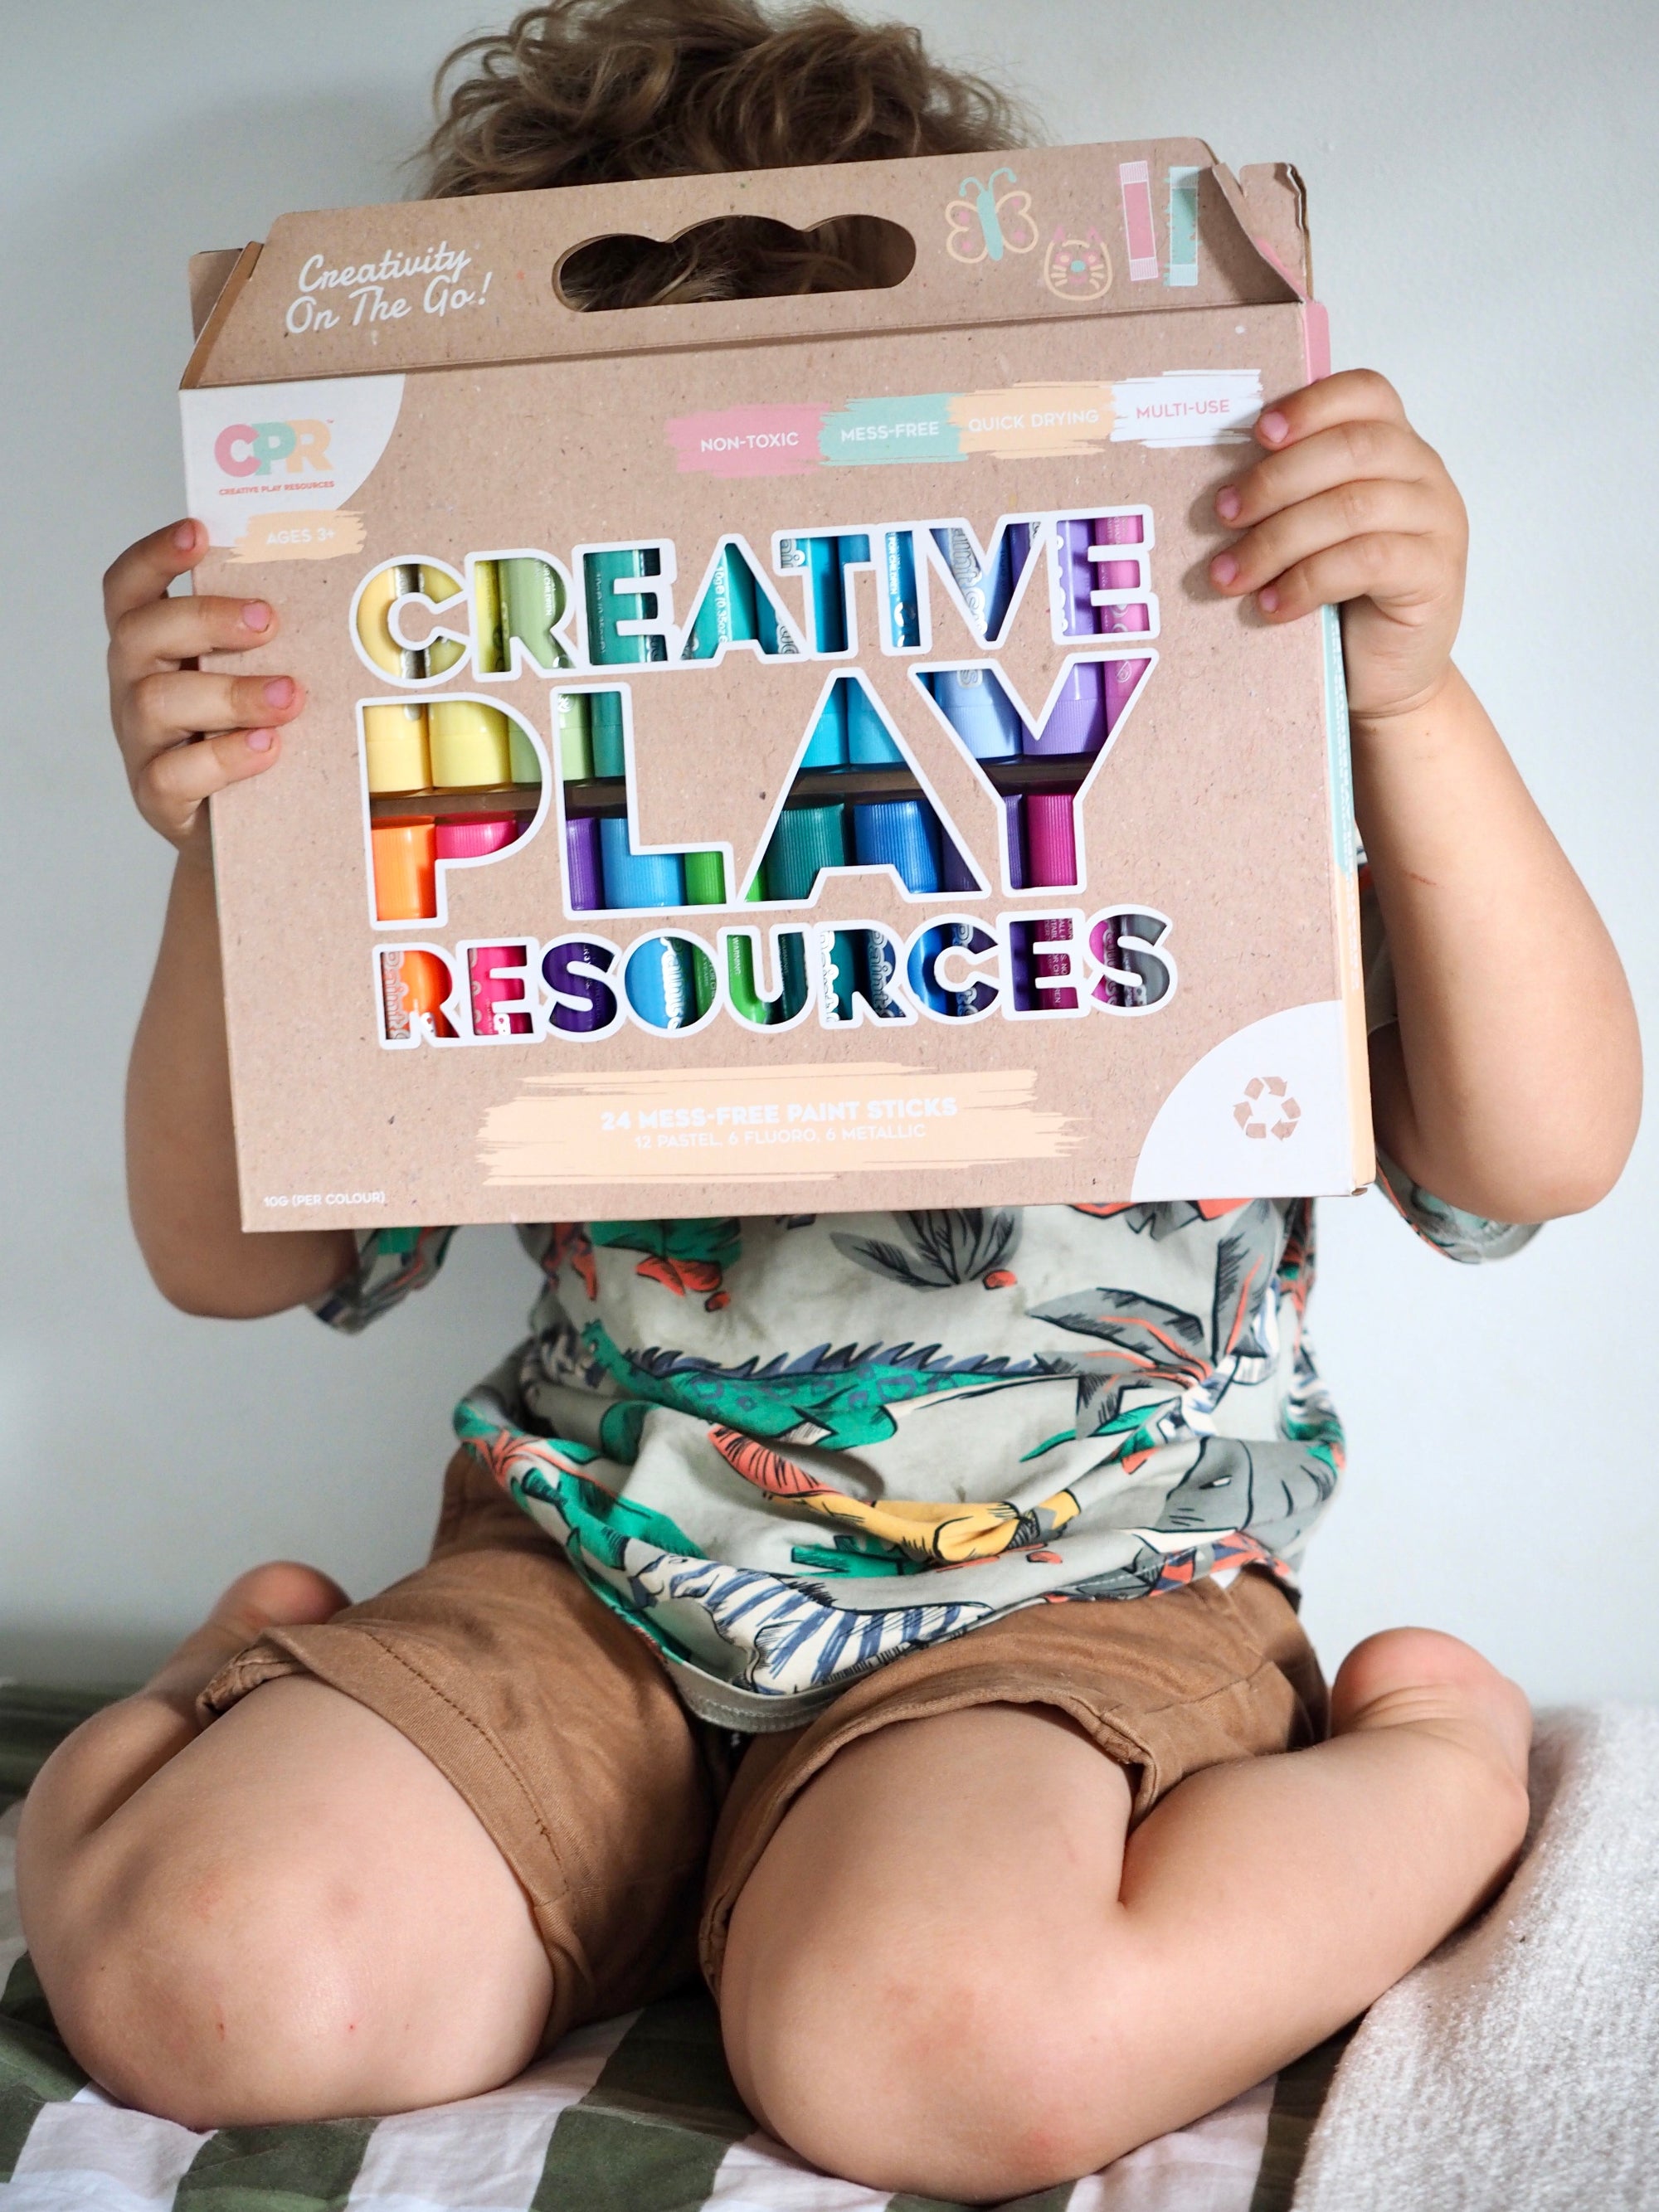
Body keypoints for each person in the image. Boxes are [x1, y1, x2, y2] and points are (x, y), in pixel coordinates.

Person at [17, 1, 1641, 2197]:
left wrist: (1406, 692)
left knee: (933, 2046)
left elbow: (1544, 1140)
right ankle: (270, 1673)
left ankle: (1427, 1776)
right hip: (580, 1569)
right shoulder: (499, 785)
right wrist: (236, 835)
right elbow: (232, 1254)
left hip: (1069, 1589)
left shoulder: (1182, 751)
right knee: (205, 1973)